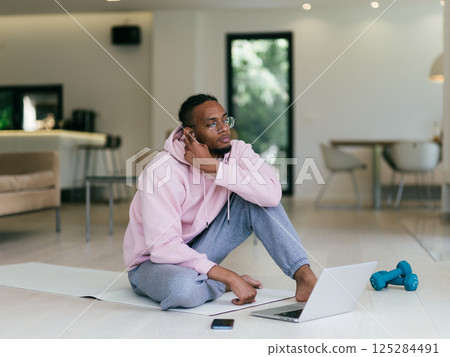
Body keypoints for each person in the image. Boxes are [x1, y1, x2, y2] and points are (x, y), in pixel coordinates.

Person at [123, 94, 317, 310]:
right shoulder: (161, 171)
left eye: (225, 120)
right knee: (183, 289)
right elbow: (164, 247)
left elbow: (272, 195)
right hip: (155, 263)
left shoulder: (238, 151)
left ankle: (305, 278)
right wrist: (230, 277)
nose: (224, 128)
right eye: (212, 124)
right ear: (190, 133)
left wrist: (214, 168)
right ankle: (218, 283)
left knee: (257, 200)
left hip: (202, 248)